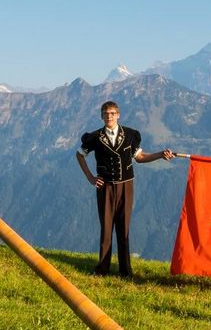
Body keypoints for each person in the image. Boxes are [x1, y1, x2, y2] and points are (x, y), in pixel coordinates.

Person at [75, 100, 175, 276]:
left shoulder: (130, 135)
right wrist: (91, 177)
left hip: (126, 186)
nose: (109, 116)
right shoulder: (95, 137)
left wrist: (160, 155)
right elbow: (79, 155)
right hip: (104, 186)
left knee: (123, 228)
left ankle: (125, 271)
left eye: (112, 113)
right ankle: (102, 270)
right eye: (106, 114)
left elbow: (141, 157)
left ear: (118, 115)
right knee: (106, 229)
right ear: (102, 116)